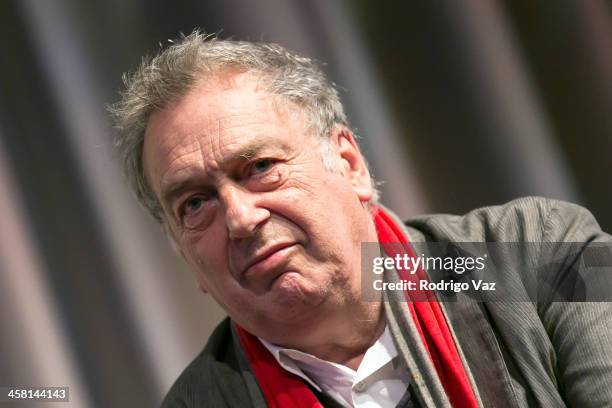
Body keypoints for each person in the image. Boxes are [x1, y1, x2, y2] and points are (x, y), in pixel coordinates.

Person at [110, 31, 612, 407]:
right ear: (180, 247)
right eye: (195, 204)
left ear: (349, 164)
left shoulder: (543, 251)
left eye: (260, 168)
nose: (240, 218)